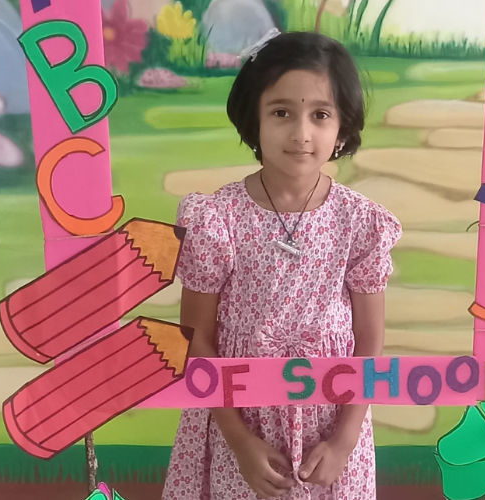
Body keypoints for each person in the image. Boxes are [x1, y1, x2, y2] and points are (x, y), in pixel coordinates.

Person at [162, 30, 402, 500]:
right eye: (281, 112)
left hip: (331, 427)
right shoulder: (217, 219)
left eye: (320, 115)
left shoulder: (361, 224)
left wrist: (344, 440)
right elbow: (197, 339)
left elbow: (369, 342)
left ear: (343, 127)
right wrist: (240, 442)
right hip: (238, 424)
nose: (301, 133)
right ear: (253, 118)